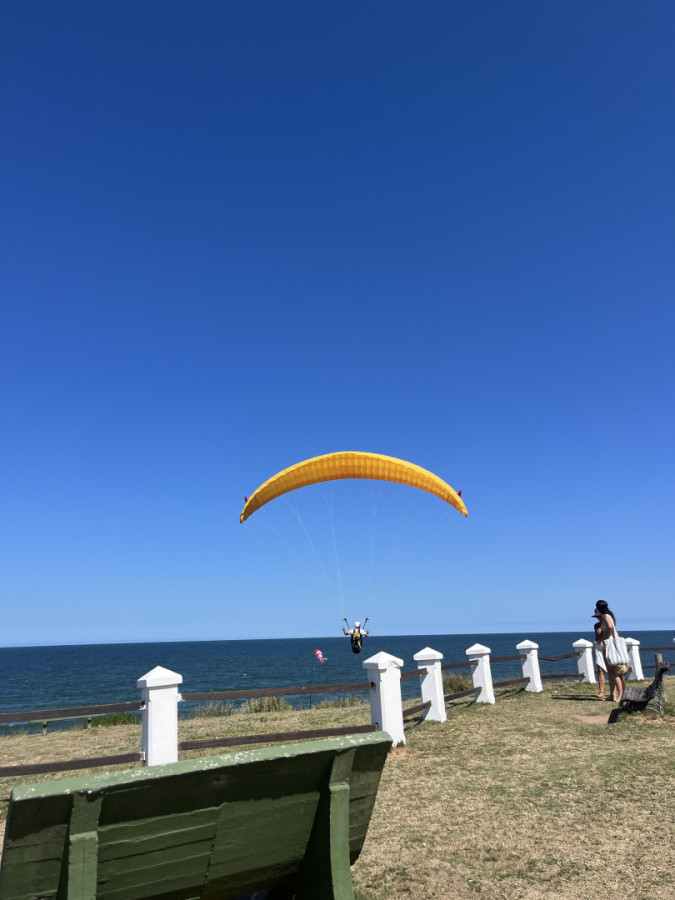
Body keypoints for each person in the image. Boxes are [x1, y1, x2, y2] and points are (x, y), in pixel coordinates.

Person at [593, 600, 626, 702]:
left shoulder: (605, 616)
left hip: (609, 646)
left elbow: (610, 627)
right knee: (611, 672)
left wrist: (602, 639)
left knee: (613, 671)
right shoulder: (609, 615)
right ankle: (612, 695)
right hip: (608, 645)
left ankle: (619, 695)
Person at [592, 617, 608, 699]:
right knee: (600, 669)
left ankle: (618, 690)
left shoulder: (609, 623)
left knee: (613, 669)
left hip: (608, 647)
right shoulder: (597, 625)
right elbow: (599, 632)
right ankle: (601, 691)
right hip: (599, 647)